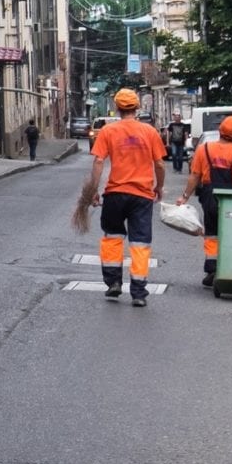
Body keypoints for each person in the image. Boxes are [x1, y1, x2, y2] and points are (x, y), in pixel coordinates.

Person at [73, 87, 167, 306]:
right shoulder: (150, 132)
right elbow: (160, 163)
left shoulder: (108, 131)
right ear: (137, 107)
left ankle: (114, 283)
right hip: (142, 195)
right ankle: (139, 293)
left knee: (113, 238)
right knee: (140, 243)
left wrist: (93, 191)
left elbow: (98, 162)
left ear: (117, 107)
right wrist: (159, 187)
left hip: (115, 194)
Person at [180, 115, 232, 287]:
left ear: (220, 130)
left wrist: (184, 197)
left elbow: (195, 176)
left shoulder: (204, 149)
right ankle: (229, 268)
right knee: (230, 232)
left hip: (209, 195)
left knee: (212, 232)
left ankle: (212, 268)